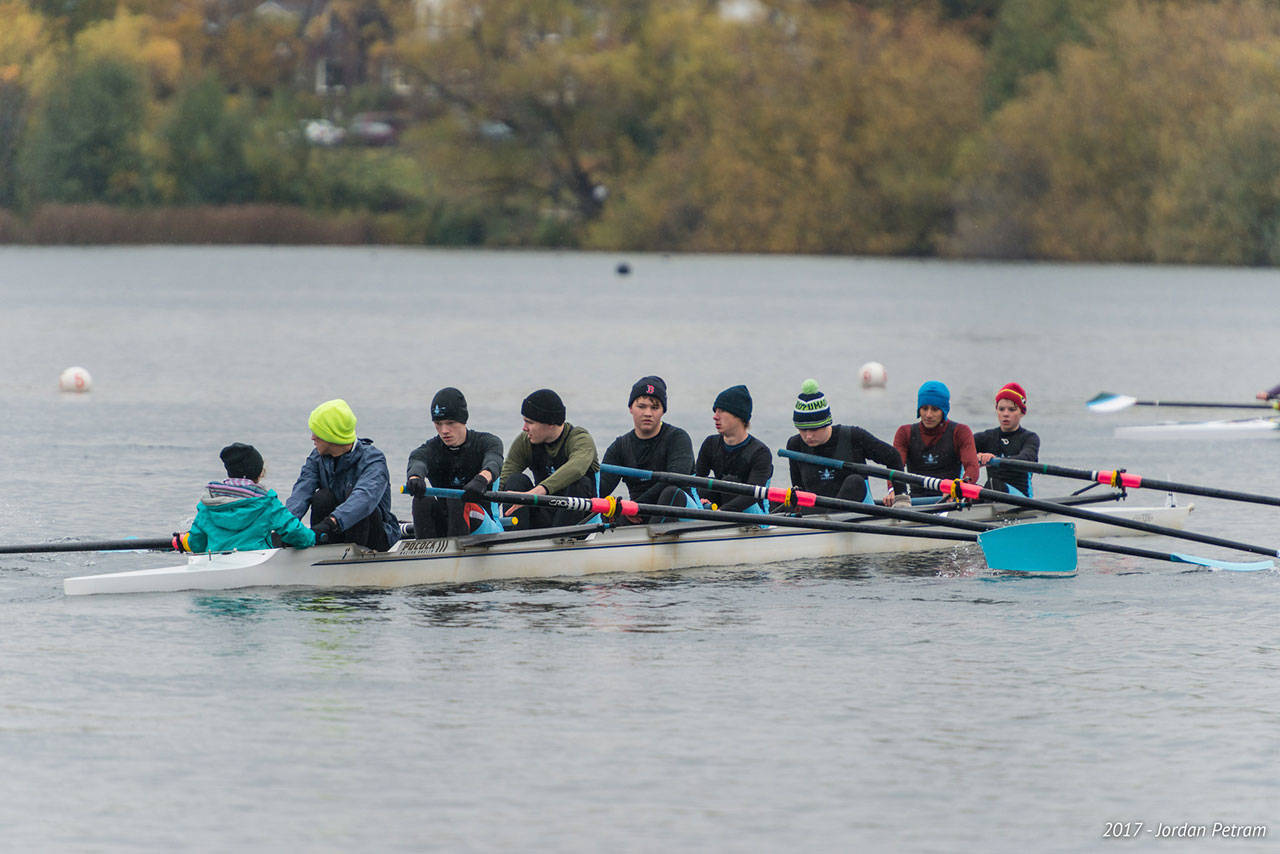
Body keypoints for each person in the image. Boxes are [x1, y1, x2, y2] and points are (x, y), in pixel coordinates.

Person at [285, 399, 400, 551]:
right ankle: (321, 550)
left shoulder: (373, 460)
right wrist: (286, 525)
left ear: (331, 435)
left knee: (353, 496)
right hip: (336, 528)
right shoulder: (317, 458)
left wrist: (331, 522)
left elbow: (364, 499)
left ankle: (353, 560)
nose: (312, 437)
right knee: (322, 497)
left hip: (375, 536)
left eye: (317, 432)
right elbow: (301, 492)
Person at [784, 379, 907, 507]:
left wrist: (900, 496)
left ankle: (831, 518)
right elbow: (799, 490)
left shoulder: (853, 436)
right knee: (783, 497)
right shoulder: (795, 445)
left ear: (827, 423)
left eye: (814, 429)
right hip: (816, 514)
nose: (808, 436)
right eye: (803, 430)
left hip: (859, 513)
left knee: (855, 481)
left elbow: (893, 457)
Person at [405, 387, 504, 538]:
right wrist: (415, 478)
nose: (444, 430)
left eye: (450, 423)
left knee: (457, 499)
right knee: (421, 501)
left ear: (463, 420)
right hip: (448, 523)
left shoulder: (487, 442)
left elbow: (494, 462)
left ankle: (454, 555)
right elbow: (417, 461)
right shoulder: (431, 449)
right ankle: (426, 555)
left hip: (485, 525)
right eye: (438, 423)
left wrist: (482, 479)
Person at [183, 443, 316, 553]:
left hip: (214, 565)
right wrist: (314, 537)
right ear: (259, 473)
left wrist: (182, 541)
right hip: (258, 566)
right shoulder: (267, 503)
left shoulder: (208, 503)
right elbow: (298, 535)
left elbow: (196, 544)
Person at [499, 389, 600, 528]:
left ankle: (561, 539)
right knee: (515, 481)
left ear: (551, 423)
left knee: (579, 482)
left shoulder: (580, 439)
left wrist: (537, 492)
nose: (524, 428)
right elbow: (502, 479)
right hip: (544, 513)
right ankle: (514, 541)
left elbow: (577, 468)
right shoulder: (525, 441)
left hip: (580, 519)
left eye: (530, 422)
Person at [599, 376, 696, 521]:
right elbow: (600, 488)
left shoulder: (677, 438)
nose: (648, 413)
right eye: (642, 406)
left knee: (671, 492)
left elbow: (676, 479)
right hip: (638, 514)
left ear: (663, 411)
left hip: (682, 511)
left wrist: (636, 506)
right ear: (631, 408)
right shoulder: (619, 447)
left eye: (655, 407)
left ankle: (653, 539)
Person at [893, 381, 978, 500]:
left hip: (950, 498)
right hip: (916, 499)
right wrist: (893, 490)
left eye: (934, 409)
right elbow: (895, 467)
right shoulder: (904, 433)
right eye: (924, 408)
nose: (928, 415)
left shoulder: (960, 432)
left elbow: (972, 467)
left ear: (944, 411)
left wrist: (961, 489)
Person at [694, 384, 773, 512]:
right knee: (706, 485)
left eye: (721, 411)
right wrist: (699, 498)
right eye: (715, 411)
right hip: (724, 509)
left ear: (739, 416)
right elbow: (696, 480)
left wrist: (721, 513)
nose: (715, 416)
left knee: (730, 483)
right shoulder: (710, 444)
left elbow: (752, 496)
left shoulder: (760, 452)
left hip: (756, 515)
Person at [974, 382, 1040, 496]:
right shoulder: (987, 437)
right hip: (993, 492)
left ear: (1022, 413)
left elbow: (1025, 458)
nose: (1005, 414)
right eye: (1001, 409)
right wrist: (973, 457)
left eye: (1011, 409)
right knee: (969, 489)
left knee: (993, 485)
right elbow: (960, 447)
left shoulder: (1030, 438)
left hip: (1022, 499)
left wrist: (994, 461)